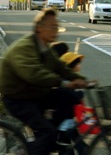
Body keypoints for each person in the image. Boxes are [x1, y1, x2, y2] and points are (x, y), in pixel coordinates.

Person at [0, 9, 88, 155]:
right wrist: (64, 83)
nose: (56, 31)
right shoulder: (25, 47)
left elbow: (60, 67)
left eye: (57, 27)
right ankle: (39, 146)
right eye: (52, 27)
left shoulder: (45, 47)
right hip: (18, 98)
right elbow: (34, 74)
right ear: (40, 28)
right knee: (48, 132)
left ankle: (57, 135)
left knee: (70, 97)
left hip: (34, 92)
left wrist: (83, 81)